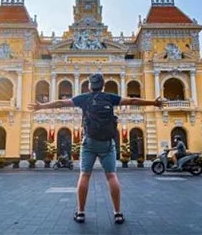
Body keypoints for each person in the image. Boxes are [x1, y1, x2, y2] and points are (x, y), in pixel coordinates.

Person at [29, 73, 163, 225]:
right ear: (103, 85)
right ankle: (118, 213)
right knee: (111, 176)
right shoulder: (110, 97)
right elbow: (133, 100)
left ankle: (80, 213)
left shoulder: (84, 98)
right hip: (107, 143)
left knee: (84, 175)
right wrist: (153, 102)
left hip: (90, 142)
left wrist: (41, 106)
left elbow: (61, 103)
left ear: (89, 87)